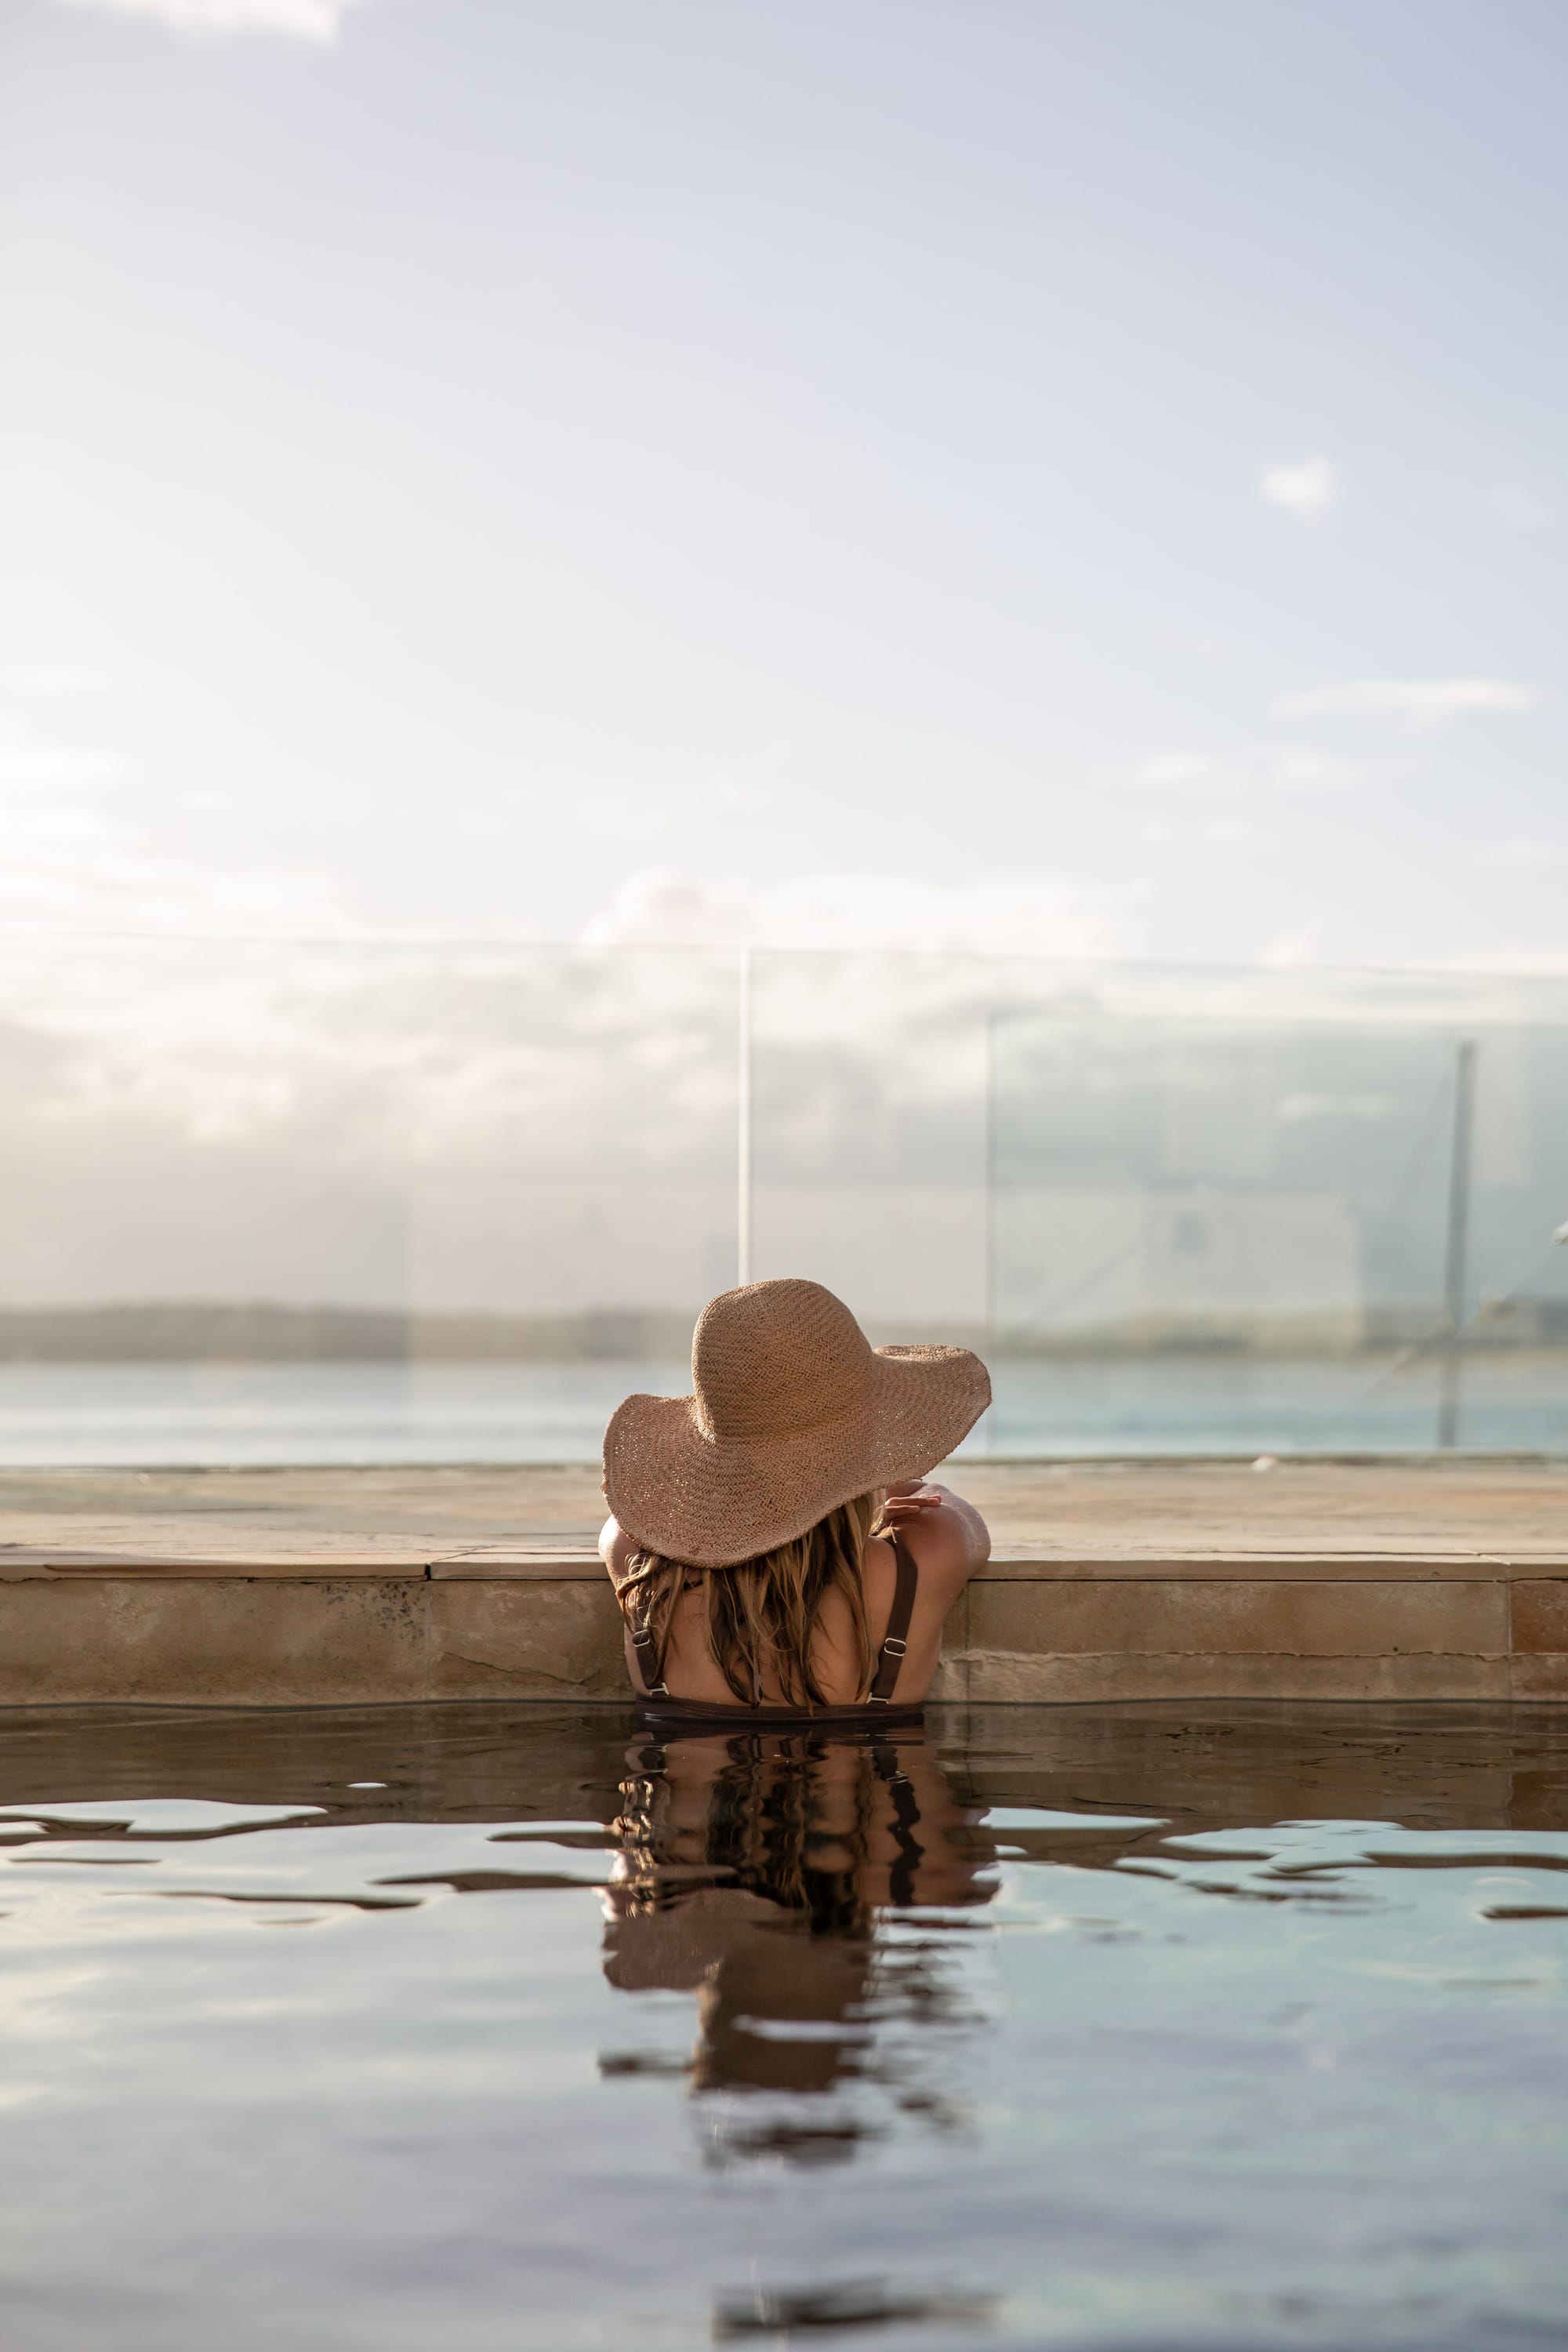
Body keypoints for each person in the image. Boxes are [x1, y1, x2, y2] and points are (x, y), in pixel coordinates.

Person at [598, 1277, 991, 1719]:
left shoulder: (632, 1554)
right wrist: (872, 1509)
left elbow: (643, 1517)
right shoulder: (927, 1553)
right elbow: (938, 1499)